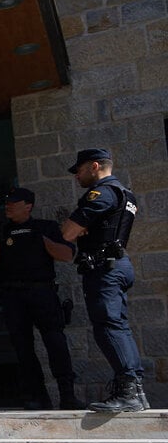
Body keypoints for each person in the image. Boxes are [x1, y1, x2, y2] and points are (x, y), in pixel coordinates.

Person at [60, 148, 146, 412]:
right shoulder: (125, 193)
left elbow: (67, 232)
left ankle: (129, 393)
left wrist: (77, 227)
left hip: (104, 267)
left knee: (108, 327)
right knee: (119, 327)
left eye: (80, 170)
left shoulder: (102, 193)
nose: (77, 176)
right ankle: (135, 392)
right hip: (117, 263)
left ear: (94, 166)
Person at [0, 187, 80, 409]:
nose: (9, 206)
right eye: (7, 202)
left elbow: (66, 255)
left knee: (55, 342)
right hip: (12, 295)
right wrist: (2, 241)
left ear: (28, 206)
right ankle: (38, 396)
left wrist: (40, 240)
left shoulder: (45, 228)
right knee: (23, 347)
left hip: (42, 292)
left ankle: (67, 395)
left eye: (14, 202)